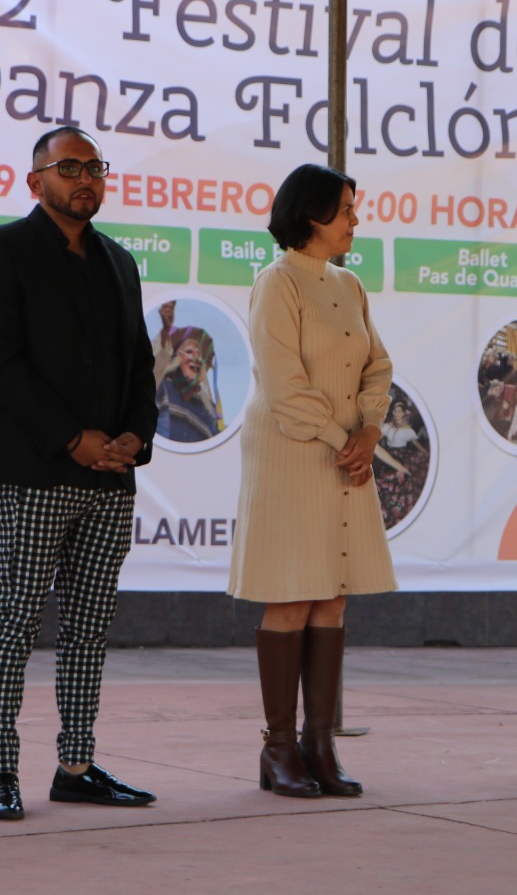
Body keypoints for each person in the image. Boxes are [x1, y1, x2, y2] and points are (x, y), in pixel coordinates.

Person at [0, 126, 159, 821]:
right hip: (35, 467)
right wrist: (72, 438)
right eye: (68, 167)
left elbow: (141, 362)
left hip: (111, 478)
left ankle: (76, 764)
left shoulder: (119, 260)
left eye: (94, 168)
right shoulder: (2, 249)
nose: (85, 179)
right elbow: (0, 361)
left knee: (89, 623)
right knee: (16, 618)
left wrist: (135, 438)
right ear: (35, 180)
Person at [229, 163, 397, 799]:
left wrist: (371, 432)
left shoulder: (350, 285)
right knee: (292, 594)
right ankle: (277, 751)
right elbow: (284, 389)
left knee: (333, 594)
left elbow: (379, 366)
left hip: (347, 452)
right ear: (311, 216)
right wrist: (344, 442)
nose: (356, 219)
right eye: (347, 210)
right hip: (292, 453)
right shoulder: (276, 283)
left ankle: (318, 745)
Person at [155, 325, 225, 442]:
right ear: (175, 358)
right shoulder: (160, 389)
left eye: (199, 354)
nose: (196, 358)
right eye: (189, 351)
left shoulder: (209, 410)